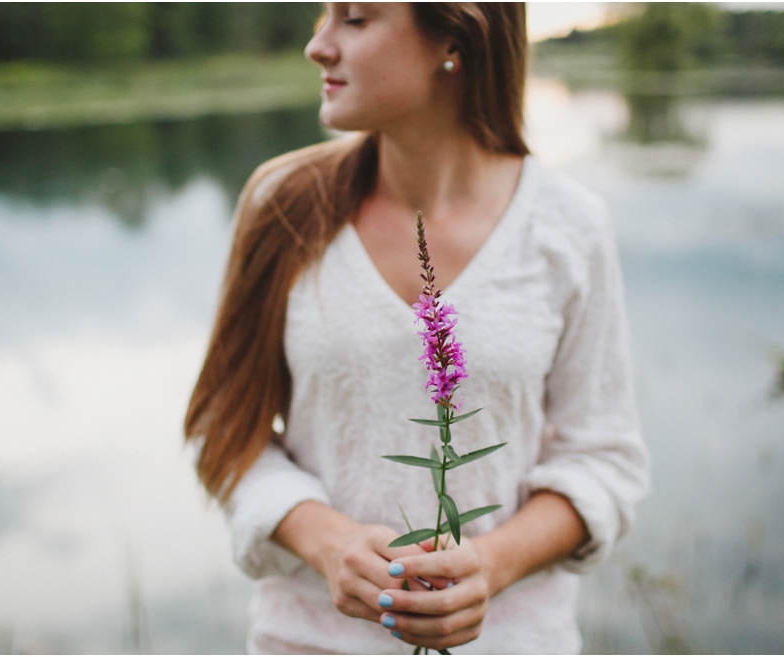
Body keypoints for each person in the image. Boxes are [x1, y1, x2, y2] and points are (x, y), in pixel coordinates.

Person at [185, 3, 650, 654]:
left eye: (354, 18)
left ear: (453, 39)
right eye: (324, 15)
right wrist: (325, 541)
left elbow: (603, 460)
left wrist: (492, 563)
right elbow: (223, 431)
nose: (317, 46)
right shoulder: (282, 204)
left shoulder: (568, 227)